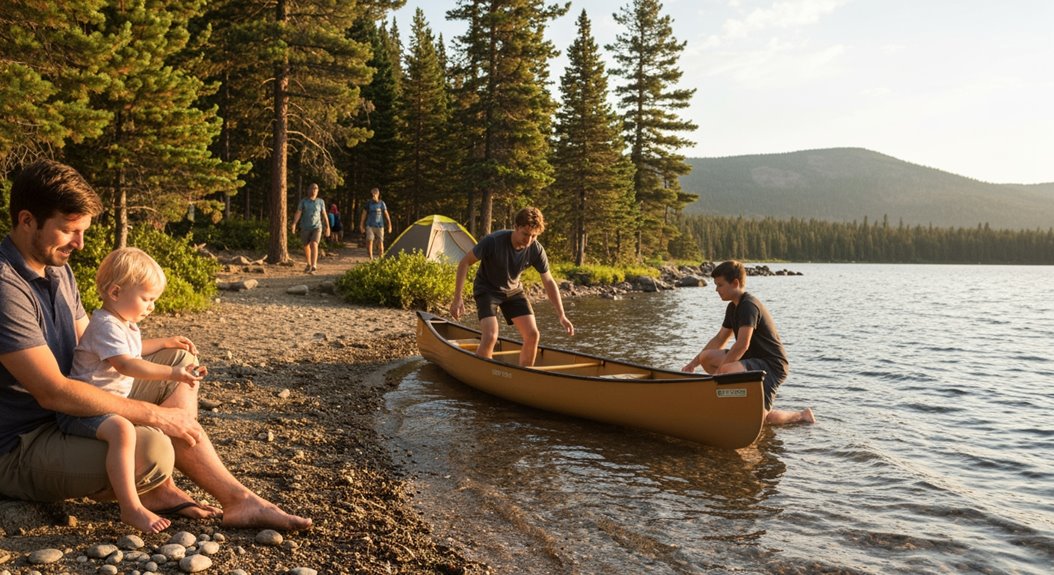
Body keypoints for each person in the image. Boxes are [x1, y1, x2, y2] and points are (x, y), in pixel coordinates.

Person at [0, 159, 311, 531]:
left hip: (70, 411)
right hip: (21, 443)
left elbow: (90, 344)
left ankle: (234, 499)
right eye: (69, 231)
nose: (80, 244)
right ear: (27, 220)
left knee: (180, 360)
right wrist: (158, 416)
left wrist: (161, 350)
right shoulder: (6, 287)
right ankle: (153, 485)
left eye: (83, 231)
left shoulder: (58, 269)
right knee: (153, 449)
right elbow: (53, 392)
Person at [57, 247, 207, 533]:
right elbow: (127, 364)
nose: (151, 307)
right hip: (81, 410)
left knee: (133, 425)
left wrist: (164, 342)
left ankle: (160, 482)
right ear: (115, 292)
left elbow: (133, 350)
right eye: (147, 299)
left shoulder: (123, 322)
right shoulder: (106, 325)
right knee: (123, 430)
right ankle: (131, 506)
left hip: (106, 404)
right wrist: (173, 373)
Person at [681, 260, 815, 425]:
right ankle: (736, 401)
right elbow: (720, 339)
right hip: (751, 360)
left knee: (763, 419)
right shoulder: (733, 307)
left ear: (735, 283)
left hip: (771, 365)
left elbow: (742, 344)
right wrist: (693, 364)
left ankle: (802, 415)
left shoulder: (748, 306)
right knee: (706, 357)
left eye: (720, 285)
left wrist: (720, 373)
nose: (716, 290)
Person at [450, 207, 574, 367]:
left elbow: (549, 281)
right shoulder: (494, 241)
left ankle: (525, 375)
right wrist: (457, 298)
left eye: (534, 236)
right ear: (516, 227)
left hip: (513, 291)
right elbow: (464, 262)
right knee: (490, 336)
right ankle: (481, 372)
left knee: (532, 335)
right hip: (487, 290)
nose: (529, 240)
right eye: (525, 234)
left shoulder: (536, 249)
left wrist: (562, 315)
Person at [290, 183, 329, 274]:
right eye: (312, 188)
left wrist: (328, 227)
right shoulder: (303, 202)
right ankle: (308, 263)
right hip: (305, 226)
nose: (313, 190)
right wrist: (294, 224)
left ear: (318, 191)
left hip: (317, 227)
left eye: (315, 189)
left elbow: (324, 214)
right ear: (308, 190)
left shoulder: (320, 202)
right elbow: (298, 213)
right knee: (306, 246)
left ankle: (314, 265)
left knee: (314, 244)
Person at [358, 187, 391, 260]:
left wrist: (389, 225)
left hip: (380, 226)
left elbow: (386, 214)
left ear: (378, 194)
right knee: (370, 241)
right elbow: (364, 214)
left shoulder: (382, 203)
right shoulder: (368, 203)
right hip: (370, 225)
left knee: (380, 242)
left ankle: (381, 258)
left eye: (375, 194)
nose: (373, 195)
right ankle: (371, 258)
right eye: (372, 194)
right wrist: (361, 225)